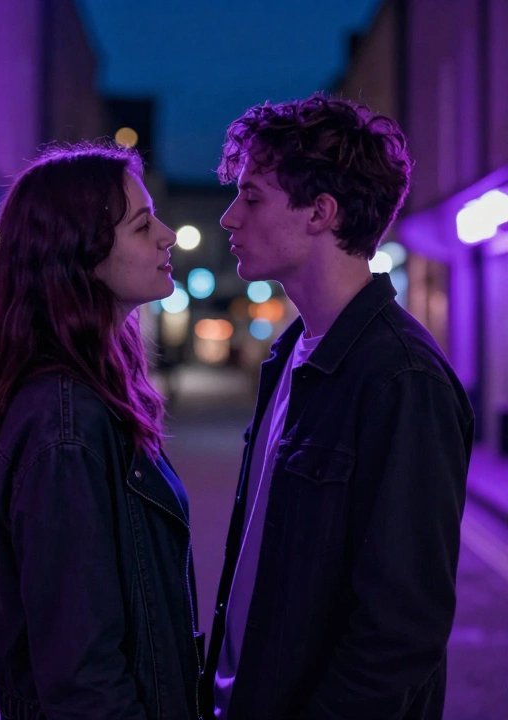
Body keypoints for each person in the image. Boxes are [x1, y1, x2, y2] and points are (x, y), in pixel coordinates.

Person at [204, 94, 474, 719]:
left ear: (320, 212)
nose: (229, 218)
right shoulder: (290, 354)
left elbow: (400, 630)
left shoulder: (403, 381)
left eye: (252, 196)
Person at [0, 142, 203, 720]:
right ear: (82, 254)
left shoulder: (92, 400)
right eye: (143, 225)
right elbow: (83, 678)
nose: (167, 235)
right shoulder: (65, 427)